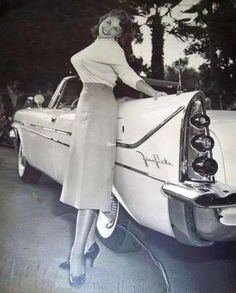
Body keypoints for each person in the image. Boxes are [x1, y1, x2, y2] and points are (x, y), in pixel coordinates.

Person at [59, 9, 167, 287]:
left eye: (116, 27)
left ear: (120, 34)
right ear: (102, 21)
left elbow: (128, 75)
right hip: (87, 105)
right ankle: (89, 246)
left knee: (91, 181)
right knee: (85, 176)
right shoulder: (97, 45)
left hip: (99, 107)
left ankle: (76, 255)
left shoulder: (114, 49)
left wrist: (153, 92)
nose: (109, 27)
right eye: (108, 21)